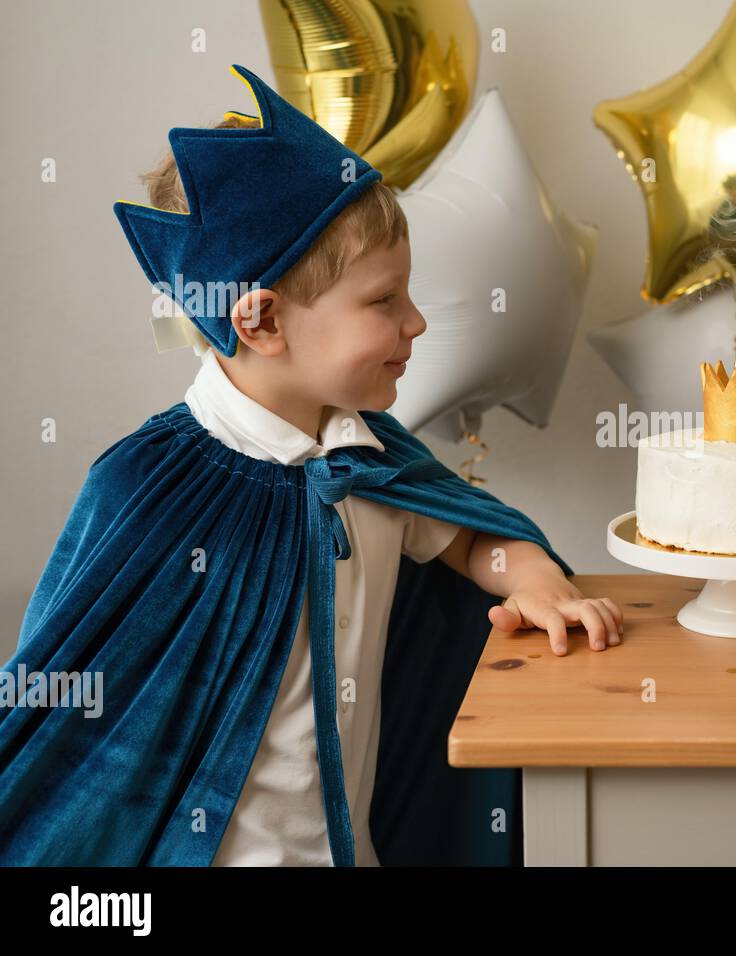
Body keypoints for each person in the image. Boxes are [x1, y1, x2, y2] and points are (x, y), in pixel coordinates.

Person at [0, 64, 622, 866]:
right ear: (260, 321)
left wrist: (533, 575)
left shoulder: (372, 455)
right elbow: (74, 728)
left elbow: (466, 541)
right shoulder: (142, 487)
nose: (418, 320)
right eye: (384, 301)